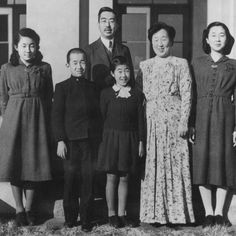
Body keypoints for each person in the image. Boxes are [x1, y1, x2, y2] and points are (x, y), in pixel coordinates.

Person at [137, 22, 195, 225]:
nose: (160, 44)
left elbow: (187, 94)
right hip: (151, 121)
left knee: (175, 165)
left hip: (174, 120)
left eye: (164, 39)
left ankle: (176, 215)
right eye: (155, 40)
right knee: (153, 165)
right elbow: (139, 98)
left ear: (171, 41)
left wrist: (184, 121)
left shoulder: (181, 63)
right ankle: (154, 215)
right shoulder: (145, 66)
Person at [0, 28, 53, 226]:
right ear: (16, 47)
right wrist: (9, 120)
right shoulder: (7, 68)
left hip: (38, 119)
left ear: (37, 47)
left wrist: (44, 120)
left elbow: (49, 97)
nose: (28, 50)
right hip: (14, 119)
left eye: (32, 45)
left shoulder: (45, 68)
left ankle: (30, 209)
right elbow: (3, 99)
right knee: (16, 165)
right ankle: (19, 210)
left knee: (34, 164)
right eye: (24, 45)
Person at [189, 22, 236, 227]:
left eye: (222, 35)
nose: (218, 38)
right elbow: (190, 96)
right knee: (202, 164)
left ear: (227, 39)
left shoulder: (234, 65)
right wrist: (190, 124)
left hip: (225, 118)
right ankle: (208, 213)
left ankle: (219, 213)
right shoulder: (195, 63)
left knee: (223, 164)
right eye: (213, 35)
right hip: (200, 117)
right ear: (206, 39)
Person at [52, 48, 100, 232]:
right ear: (68, 65)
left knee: (88, 180)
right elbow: (57, 116)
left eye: (82, 62)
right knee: (70, 180)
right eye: (75, 63)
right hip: (70, 143)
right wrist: (60, 140)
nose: (79, 66)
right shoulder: (62, 87)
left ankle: (87, 219)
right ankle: (70, 218)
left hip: (89, 141)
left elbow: (97, 116)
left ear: (86, 64)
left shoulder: (93, 87)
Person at [97, 56, 144, 228]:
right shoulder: (106, 94)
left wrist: (140, 141)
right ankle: (111, 214)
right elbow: (101, 119)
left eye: (126, 71)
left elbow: (140, 120)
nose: (123, 75)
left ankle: (122, 213)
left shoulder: (137, 94)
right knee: (111, 177)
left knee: (125, 177)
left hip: (130, 139)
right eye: (119, 71)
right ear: (112, 73)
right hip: (110, 139)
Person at [84, 6, 135, 92]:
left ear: (117, 25)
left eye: (111, 21)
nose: (107, 25)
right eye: (104, 21)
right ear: (98, 24)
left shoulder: (124, 50)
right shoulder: (89, 50)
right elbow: (86, 81)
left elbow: (131, 79)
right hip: (97, 100)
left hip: (121, 100)